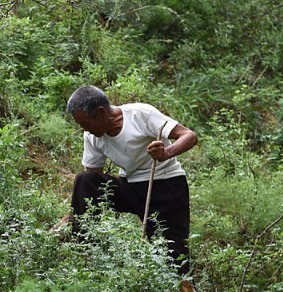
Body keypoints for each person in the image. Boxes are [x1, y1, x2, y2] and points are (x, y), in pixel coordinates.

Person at [65, 84, 198, 276]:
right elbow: (92, 182)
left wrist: (166, 152)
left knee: (173, 256)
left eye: (85, 123)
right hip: (130, 188)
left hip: (165, 185)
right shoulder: (91, 136)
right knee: (84, 180)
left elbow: (189, 136)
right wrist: (74, 214)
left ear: (101, 113)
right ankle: (84, 251)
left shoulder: (140, 114)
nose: (84, 129)